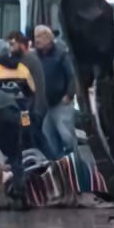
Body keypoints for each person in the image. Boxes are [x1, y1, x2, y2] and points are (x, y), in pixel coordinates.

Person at [34, 25, 78, 155]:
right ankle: (58, 164)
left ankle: (74, 161)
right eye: (35, 36)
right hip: (45, 104)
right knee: (49, 135)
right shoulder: (36, 55)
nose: (36, 40)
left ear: (48, 37)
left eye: (39, 37)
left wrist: (69, 95)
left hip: (61, 102)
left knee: (66, 135)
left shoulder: (61, 53)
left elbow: (72, 76)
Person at [6, 30, 48, 153]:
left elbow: (34, 84)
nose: (10, 48)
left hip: (32, 108)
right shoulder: (23, 59)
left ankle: (49, 161)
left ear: (21, 44)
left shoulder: (28, 59)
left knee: (31, 138)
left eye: (12, 44)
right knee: (31, 137)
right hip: (28, 107)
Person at [0, 38, 37, 124]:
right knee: (25, 133)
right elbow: (32, 91)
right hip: (23, 114)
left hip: (0, 118)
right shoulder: (21, 67)